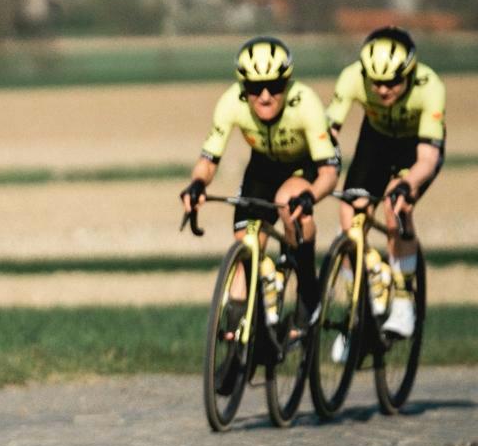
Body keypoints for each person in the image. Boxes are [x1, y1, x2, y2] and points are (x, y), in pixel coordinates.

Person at [178, 35, 337, 338]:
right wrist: (197, 184)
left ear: (287, 83)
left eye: (274, 86)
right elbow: (209, 159)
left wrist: (311, 195)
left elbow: (330, 174)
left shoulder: (305, 103)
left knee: (290, 205)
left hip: (307, 163)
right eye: (254, 87)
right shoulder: (230, 103)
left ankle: (307, 290)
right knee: (246, 242)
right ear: (243, 87)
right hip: (263, 165)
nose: (264, 96)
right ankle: (239, 341)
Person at [324, 25, 447, 340]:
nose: (382, 90)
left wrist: (408, 184)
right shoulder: (352, 78)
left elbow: (428, 159)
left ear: (410, 72)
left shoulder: (429, 86)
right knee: (349, 216)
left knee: (396, 205)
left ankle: (404, 300)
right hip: (376, 140)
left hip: (416, 148)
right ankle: (359, 308)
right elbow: (328, 133)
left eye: (392, 82)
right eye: (375, 82)